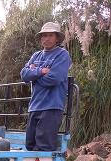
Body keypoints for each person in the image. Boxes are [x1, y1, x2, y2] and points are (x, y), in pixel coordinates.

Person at [20, 22, 72, 151]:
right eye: (44, 36)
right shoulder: (36, 55)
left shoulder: (62, 54)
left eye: (50, 35)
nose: (46, 39)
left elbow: (55, 78)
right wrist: (41, 71)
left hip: (52, 106)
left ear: (57, 38)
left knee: (44, 147)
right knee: (30, 145)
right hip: (34, 106)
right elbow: (24, 75)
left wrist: (34, 76)